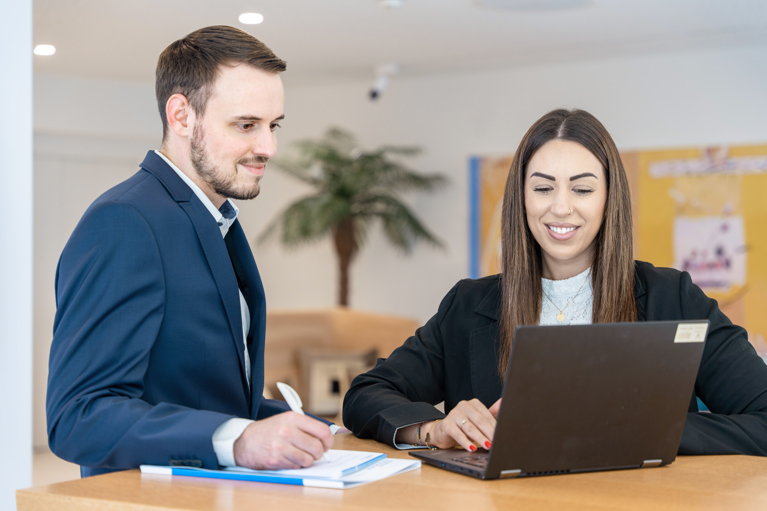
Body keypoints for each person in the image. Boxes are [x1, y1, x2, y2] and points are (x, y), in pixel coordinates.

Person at [342, 108, 767, 456]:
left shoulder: (672, 297)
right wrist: (433, 430)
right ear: (522, 198)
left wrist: (646, 431)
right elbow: (366, 394)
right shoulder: (468, 304)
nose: (561, 208)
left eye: (582, 190)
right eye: (543, 188)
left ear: (608, 199)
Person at [47, 26, 335, 477]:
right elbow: (78, 416)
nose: (268, 148)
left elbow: (209, 395)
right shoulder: (125, 222)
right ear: (181, 116)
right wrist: (237, 441)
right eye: (246, 125)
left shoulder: (215, 218)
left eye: (273, 126)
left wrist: (323, 433)